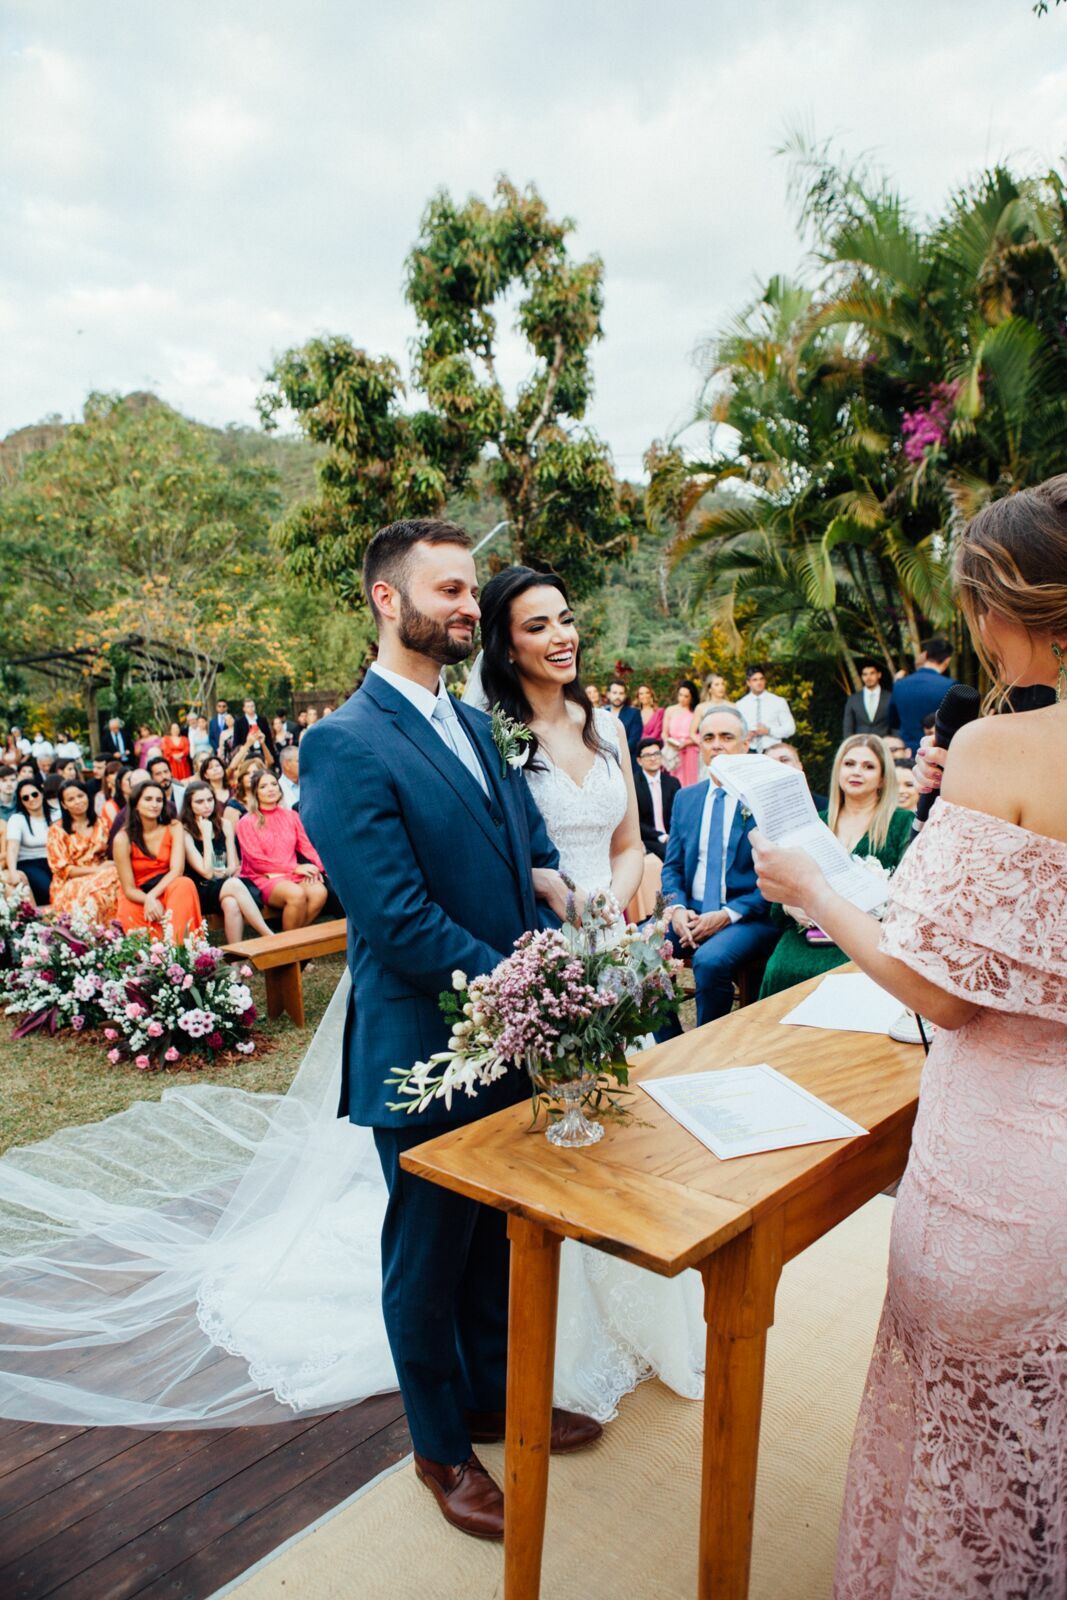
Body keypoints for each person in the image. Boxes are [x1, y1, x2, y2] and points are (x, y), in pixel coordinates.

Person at [750, 475, 1067, 1598]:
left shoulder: (995, 749)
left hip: (1008, 1169)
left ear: (1017, 606)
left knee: (968, 1445)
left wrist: (811, 888)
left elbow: (942, 994)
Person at [297, 520, 598, 1541]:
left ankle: (491, 1398)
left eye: (472, 593)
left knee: (492, 1243)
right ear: (389, 599)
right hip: (422, 1047)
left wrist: (550, 881)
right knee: (424, 1259)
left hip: (507, 1038)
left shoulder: (472, 725)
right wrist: (526, 980)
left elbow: (513, 847)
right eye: (452, 589)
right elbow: (393, 916)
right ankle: (438, 1447)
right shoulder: (341, 742)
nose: (470, 607)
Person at [470, 564, 707, 1422]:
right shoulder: (488, 733)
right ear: (503, 642)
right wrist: (556, 900)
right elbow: (500, 851)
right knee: (557, 1130)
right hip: (534, 946)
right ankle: (555, 1323)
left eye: (565, 620)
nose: (561, 636)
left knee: (619, 1122)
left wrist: (608, 899)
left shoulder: (598, 720)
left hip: (604, 935)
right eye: (537, 626)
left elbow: (632, 839)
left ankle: (636, 1295)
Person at [759, 736, 913, 998]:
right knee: (779, 969)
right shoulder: (813, 823)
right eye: (849, 763)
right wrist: (790, 905)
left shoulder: (901, 823)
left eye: (868, 766)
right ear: (838, 770)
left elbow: (908, 896)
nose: (856, 771)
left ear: (884, 778)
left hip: (865, 941)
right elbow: (778, 893)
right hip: (807, 936)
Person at [659, 706, 778, 1025]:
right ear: (699, 745)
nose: (717, 745)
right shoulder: (686, 798)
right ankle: (670, 1046)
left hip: (745, 916)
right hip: (690, 912)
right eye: (709, 737)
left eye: (727, 737)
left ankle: (707, 1049)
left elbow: (777, 880)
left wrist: (727, 915)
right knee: (639, 949)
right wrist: (678, 909)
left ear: (745, 745)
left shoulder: (764, 799)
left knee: (710, 962)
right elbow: (671, 868)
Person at [179, 781, 274, 942]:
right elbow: (206, 873)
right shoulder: (184, 830)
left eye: (210, 800)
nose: (206, 805)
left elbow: (233, 865)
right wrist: (206, 836)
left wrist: (225, 872)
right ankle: (270, 937)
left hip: (223, 883)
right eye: (199, 802)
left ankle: (235, 961)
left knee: (231, 903)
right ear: (189, 804)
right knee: (234, 885)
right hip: (199, 889)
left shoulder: (224, 824)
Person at [236, 771, 327, 932]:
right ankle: (290, 951)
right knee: (296, 894)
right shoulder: (246, 822)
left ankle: (288, 943)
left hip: (292, 875)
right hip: (263, 876)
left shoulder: (291, 816)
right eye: (263, 786)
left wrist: (321, 868)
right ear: (255, 792)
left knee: (319, 892)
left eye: (274, 784)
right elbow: (256, 861)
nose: (271, 789)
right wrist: (295, 868)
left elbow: (308, 847)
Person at [113, 781, 202, 941]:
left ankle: (182, 951)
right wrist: (147, 899)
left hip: (166, 887)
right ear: (136, 804)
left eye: (159, 800)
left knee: (184, 884)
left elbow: (177, 870)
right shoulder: (122, 838)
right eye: (148, 799)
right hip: (138, 894)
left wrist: (153, 896)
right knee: (131, 911)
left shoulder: (174, 827)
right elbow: (128, 888)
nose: (154, 804)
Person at [46, 780, 119, 923]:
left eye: (80, 796)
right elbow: (63, 870)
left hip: (103, 874)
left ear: (87, 796)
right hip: (71, 881)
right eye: (71, 799)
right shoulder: (57, 830)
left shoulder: (101, 823)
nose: (78, 801)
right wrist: (96, 870)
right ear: (63, 804)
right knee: (95, 896)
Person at [890, 634, 957, 754]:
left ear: (925, 655)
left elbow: (892, 721)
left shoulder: (899, 685)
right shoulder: (950, 686)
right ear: (947, 660)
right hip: (935, 753)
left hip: (906, 751)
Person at [3, 777, 56, 904]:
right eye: (25, 797)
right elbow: (12, 848)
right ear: (21, 801)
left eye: (34, 794)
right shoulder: (17, 819)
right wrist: (12, 871)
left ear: (41, 793)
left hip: (55, 861)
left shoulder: (57, 815)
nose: (31, 799)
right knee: (47, 889)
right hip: (29, 863)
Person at [633, 736, 679, 859]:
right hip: (646, 838)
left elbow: (679, 815)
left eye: (656, 754)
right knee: (670, 854)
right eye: (647, 755)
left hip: (672, 837)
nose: (653, 758)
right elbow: (634, 822)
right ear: (639, 761)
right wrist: (661, 836)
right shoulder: (632, 784)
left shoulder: (673, 783)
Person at [736, 662, 796, 754]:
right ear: (748, 682)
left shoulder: (778, 702)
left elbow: (790, 728)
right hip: (750, 750)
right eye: (755, 680)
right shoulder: (740, 705)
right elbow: (735, 731)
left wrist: (769, 731)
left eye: (761, 679)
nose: (759, 683)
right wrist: (745, 736)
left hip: (773, 750)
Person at [763, 740, 829, 810]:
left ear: (799, 766)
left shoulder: (827, 807)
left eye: (784, 760)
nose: (778, 765)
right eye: (771, 762)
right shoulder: (758, 812)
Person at [842, 660, 898, 739]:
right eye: (865, 674)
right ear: (862, 677)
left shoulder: (890, 697)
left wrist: (894, 745)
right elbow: (848, 727)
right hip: (860, 746)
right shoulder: (853, 699)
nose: (868, 677)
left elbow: (895, 725)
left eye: (872, 673)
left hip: (884, 744)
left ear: (879, 675)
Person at [662, 680, 701, 785]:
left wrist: (687, 743)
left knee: (692, 781)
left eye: (686, 696)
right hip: (674, 751)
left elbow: (701, 734)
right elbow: (664, 733)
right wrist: (669, 743)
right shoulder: (670, 710)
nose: (682, 699)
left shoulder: (696, 711)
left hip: (690, 750)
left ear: (692, 697)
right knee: (675, 781)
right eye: (680, 695)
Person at [604, 678, 643, 758]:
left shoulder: (634, 713)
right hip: (604, 759)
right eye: (614, 693)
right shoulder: (603, 713)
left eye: (621, 693)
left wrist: (613, 753)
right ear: (608, 694)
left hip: (626, 760)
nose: (618, 696)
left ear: (625, 696)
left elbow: (633, 741)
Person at [232, 700, 277, 765]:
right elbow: (237, 738)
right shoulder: (239, 722)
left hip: (262, 750)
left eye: (252, 706)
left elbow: (268, 737)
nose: (251, 708)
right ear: (244, 709)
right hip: (247, 752)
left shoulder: (262, 720)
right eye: (248, 706)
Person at [277, 744, 300, 808]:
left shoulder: (309, 784)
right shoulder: (277, 788)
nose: (303, 764)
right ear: (286, 765)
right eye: (298, 761)